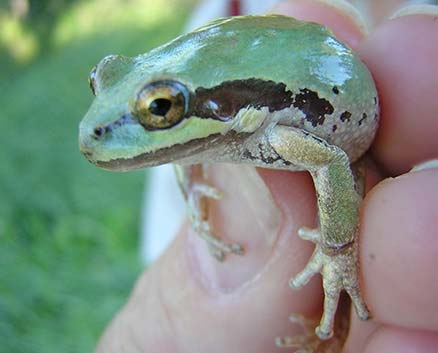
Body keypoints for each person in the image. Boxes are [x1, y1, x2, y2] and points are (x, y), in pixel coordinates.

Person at [97, 1, 438, 352]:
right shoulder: (209, 108)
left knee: (364, 258)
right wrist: (193, 182)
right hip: (252, 74)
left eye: (160, 108)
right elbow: (185, 142)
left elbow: (332, 161)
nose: (95, 130)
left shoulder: (278, 135)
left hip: (329, 104)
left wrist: (337, 248)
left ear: (227, 108)